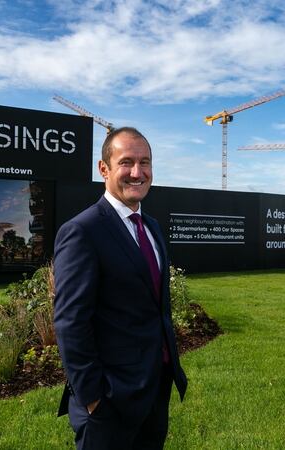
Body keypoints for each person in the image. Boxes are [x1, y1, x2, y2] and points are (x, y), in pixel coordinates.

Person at [53, 127, 187, 450]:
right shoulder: (82, 231)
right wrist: (93, 399)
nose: (137, 173)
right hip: (109, 403)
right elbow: (70, 323)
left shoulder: (151, 227)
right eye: (126, 162)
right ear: (104, 169)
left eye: (145, 162)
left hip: (154, 391)